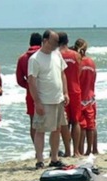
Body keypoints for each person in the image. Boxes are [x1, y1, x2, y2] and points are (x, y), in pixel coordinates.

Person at [28, 30, 69, 169]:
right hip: (44, 100)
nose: (55, 46)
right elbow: (31, 81)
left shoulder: (57, 54)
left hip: (58, 99)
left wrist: (66, 93)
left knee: (57, 129)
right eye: (53, 43)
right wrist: (37, 102)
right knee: (41, 130)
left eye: (56, 43)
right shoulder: (35, 59)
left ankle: (54, 158)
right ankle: (40, 160)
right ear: (45, 41)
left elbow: (62, 74)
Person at [72, 38, 98, 155]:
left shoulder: (79, 63)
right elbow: (94, 79)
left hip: (80, 97)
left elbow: (75, 80)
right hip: (91, 97)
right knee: (91, 125)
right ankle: (92, 150)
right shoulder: (91, 62)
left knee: (81, 126)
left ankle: (80, 150)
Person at [16, 33, 42, 145]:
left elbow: (19, 79)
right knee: (50, 121)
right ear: (41, 42)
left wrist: (28, 85)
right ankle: (52, 149)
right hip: (46, 90)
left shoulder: (22, 58)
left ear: (30, 43)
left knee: (33, 122)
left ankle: (37, 149)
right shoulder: (44, 55)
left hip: (30, 92)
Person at [58, 32, 81, 157]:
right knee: (76, 121)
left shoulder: (56, 55)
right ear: (67, 41)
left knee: (64, 122)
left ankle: (67, 150)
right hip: (75, 89)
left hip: (62, 90)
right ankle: (76, 151)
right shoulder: (76, 55)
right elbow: (79, 72)